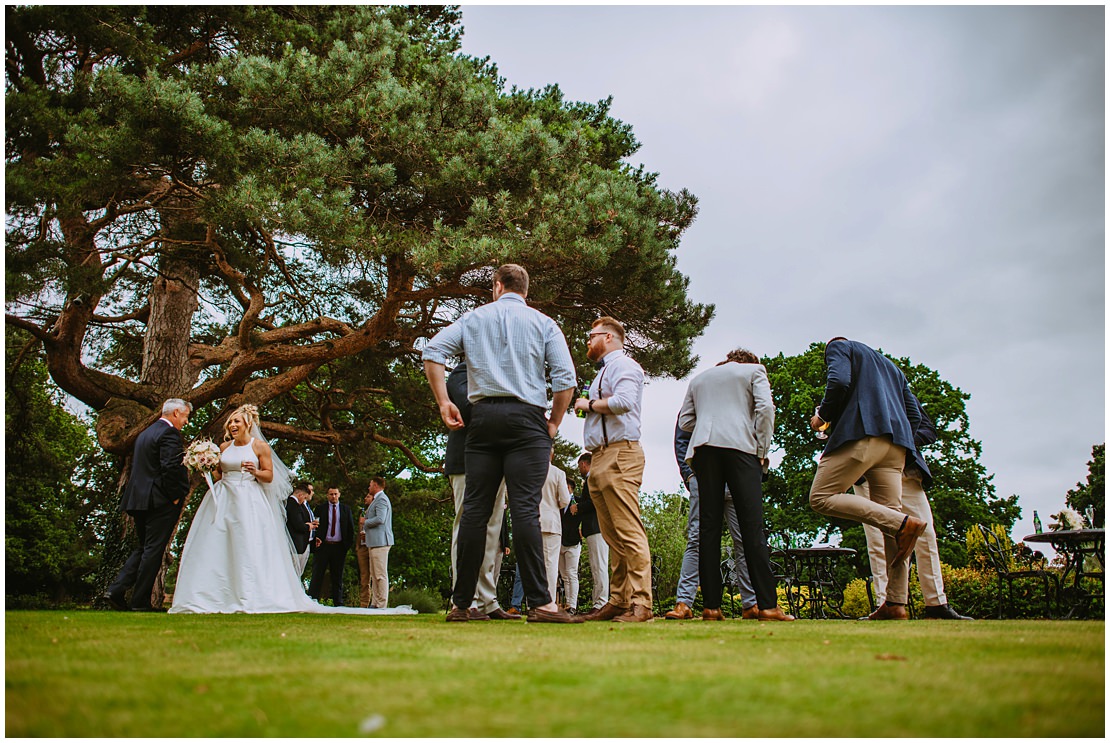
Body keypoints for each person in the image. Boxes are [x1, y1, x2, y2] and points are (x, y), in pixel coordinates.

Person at [423, 264, 581, 624]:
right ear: (525, 290)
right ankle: (542, 604)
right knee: (526, 508)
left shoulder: (474, 319)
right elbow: (565, 379)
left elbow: (433, 352)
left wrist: (443, 401)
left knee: (476, 511)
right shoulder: (543, 323)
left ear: (497, 286)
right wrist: (554, 421)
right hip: (527, 420)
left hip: (483, 419)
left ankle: (462, 605)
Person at [170, 405, 412, 615]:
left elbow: (269, 476)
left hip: (247, 501)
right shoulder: (223, 447)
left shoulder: (259, 447)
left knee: (247, 545)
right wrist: (206, 464)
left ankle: (249, 593)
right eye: (230, 421)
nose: (232, 424)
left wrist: (254, 472)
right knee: (216, 544)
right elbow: (219, 474)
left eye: (236, 421)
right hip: (222, 499)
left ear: (247, 423)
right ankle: (210, 593)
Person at [808, 338, 928, 621]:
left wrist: (821, 417)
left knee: (821, 497)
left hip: (862, 436)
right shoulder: (893, 368)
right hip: (897, 445)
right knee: (890, 521)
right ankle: (896, 603)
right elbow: (914, 415)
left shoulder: (839, 346)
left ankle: (904, 524)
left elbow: (838, 383)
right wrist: (901, 438)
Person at [679, 348, 794, 622]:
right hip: (742, 448)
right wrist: (762, 449)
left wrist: (710, 420)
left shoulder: (700, 378)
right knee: (751, 526)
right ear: (749, 363)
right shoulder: (755, 371)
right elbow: (766, 409)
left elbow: (685, 422)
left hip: (704, 449)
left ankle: (710, 607)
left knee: (708, 529)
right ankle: (767, 605)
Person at [857, 394, 972, 620]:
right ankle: (885, 604)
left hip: (906, 472)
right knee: (878, 543)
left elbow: (928, 430)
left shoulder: (900, 392)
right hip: (867, 473)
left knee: (926, 536)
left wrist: (896, 445)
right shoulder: (852, 392)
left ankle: (936, 603)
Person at [573, 317, 654, 623]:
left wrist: (589, 404)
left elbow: (623, 402)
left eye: (591, 336)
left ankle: (641, 603)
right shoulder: (604, 372)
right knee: (612, 534)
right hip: (600, 457)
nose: (587, 342)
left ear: (607, 337)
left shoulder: (626, 366)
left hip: (621, 454)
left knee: (628, 531)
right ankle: (619, 600)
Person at [665, 417, 760, 620]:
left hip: (738, 478)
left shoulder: (742, 398)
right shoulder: (700, 394)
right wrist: (689, 475)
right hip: (703, 478)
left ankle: (751, 604)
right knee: (696, 540)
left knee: (744, 540)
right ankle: (684, 602)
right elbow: (682, 438)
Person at [445, 360, 518, 620]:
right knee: (465, 527)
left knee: (493, 531)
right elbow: (467, 406)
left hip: (499, 461)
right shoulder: (463, 371)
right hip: (466, 459)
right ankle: (465, 601)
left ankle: (488, 600)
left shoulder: (505, 372)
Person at [104, 399, 191, 612]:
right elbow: (170, 467)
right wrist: (176, 495)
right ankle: (140, 602)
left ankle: (115, 590)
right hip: (160, 500)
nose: (186, 422)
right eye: (186, 416)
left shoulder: (145, 433)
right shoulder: (169, 434)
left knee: (143, 548)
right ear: (176, 413)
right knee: (153, 550)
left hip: (138, 500)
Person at [308, 485, 356, 606]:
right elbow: (315, 525)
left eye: (335, 494)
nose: (333, 496)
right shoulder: (320, 509)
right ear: (327, 495)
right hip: (323, 546)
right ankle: (313, 600)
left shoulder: (346, 509)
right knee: (317, 574)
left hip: (339, 547)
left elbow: (350, 529)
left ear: (339, 495)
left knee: (337, 576)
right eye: (331, 494)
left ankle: (338, 602)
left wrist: (346, 546)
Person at [576, 453, 609, 612]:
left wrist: (578, 507)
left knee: (599, 566)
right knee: (596, 566)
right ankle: (598, 601)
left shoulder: (593, 479)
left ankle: (601, 602)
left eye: (579, 466)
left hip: (597, 527)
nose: (579, 469)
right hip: (593, 528)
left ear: (584, 464)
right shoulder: (592, 479)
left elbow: (593, 502)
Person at [539, 457, 572, 608]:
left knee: (536, 564)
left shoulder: (531, 469)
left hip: (534, 521)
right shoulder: (558, 473)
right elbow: (566, 499)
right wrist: (555, 504)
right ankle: (549, 601)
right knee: (551, 564)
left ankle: (535, 601)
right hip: (552, 521)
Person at [362, 477, 394, 609]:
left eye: (370, 485)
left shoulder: (382, 499)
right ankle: (375, 602)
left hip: (381, 542)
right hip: (374, 542)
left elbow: (380, 519)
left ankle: (381, 603)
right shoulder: (377, 499)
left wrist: (365, 522)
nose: (369, 488)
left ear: (376, 485)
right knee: (374, 575)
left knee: (380, 574)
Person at [559, 474, 582, 613]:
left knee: (571, 573)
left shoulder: (578, 502)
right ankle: (567, 604)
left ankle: (572, 605)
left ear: (568, 488)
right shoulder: (559, 504)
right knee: (564, 575)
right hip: (559, 542)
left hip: (573, 542)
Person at [286, 482, 318, 578]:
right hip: (295, 544)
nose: (303, 501)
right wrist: (309, 526)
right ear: (300, 495)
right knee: (293, 574)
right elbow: (298, 525)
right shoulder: (293, 505)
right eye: (304, 498)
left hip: (301, 544)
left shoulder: (294, 504)